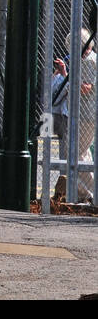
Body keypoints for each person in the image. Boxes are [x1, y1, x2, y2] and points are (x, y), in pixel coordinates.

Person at [52, 28, 96, 202]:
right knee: (83, 154)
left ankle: (90, 192)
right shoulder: (79, 60)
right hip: (78, 114)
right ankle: (84, 194)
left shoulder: (90, 62)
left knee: (75, 154)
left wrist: (66, 76)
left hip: (86, 116)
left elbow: (85, 88)